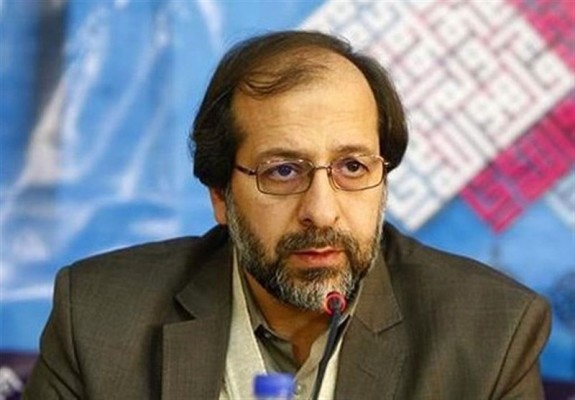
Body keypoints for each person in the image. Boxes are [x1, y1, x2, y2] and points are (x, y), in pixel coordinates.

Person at [24, 30, 551, 399]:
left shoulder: (491, 334)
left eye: (352, 167)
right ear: (220, 195)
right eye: (282, 171)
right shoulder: (99, 316)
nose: (321, 212)